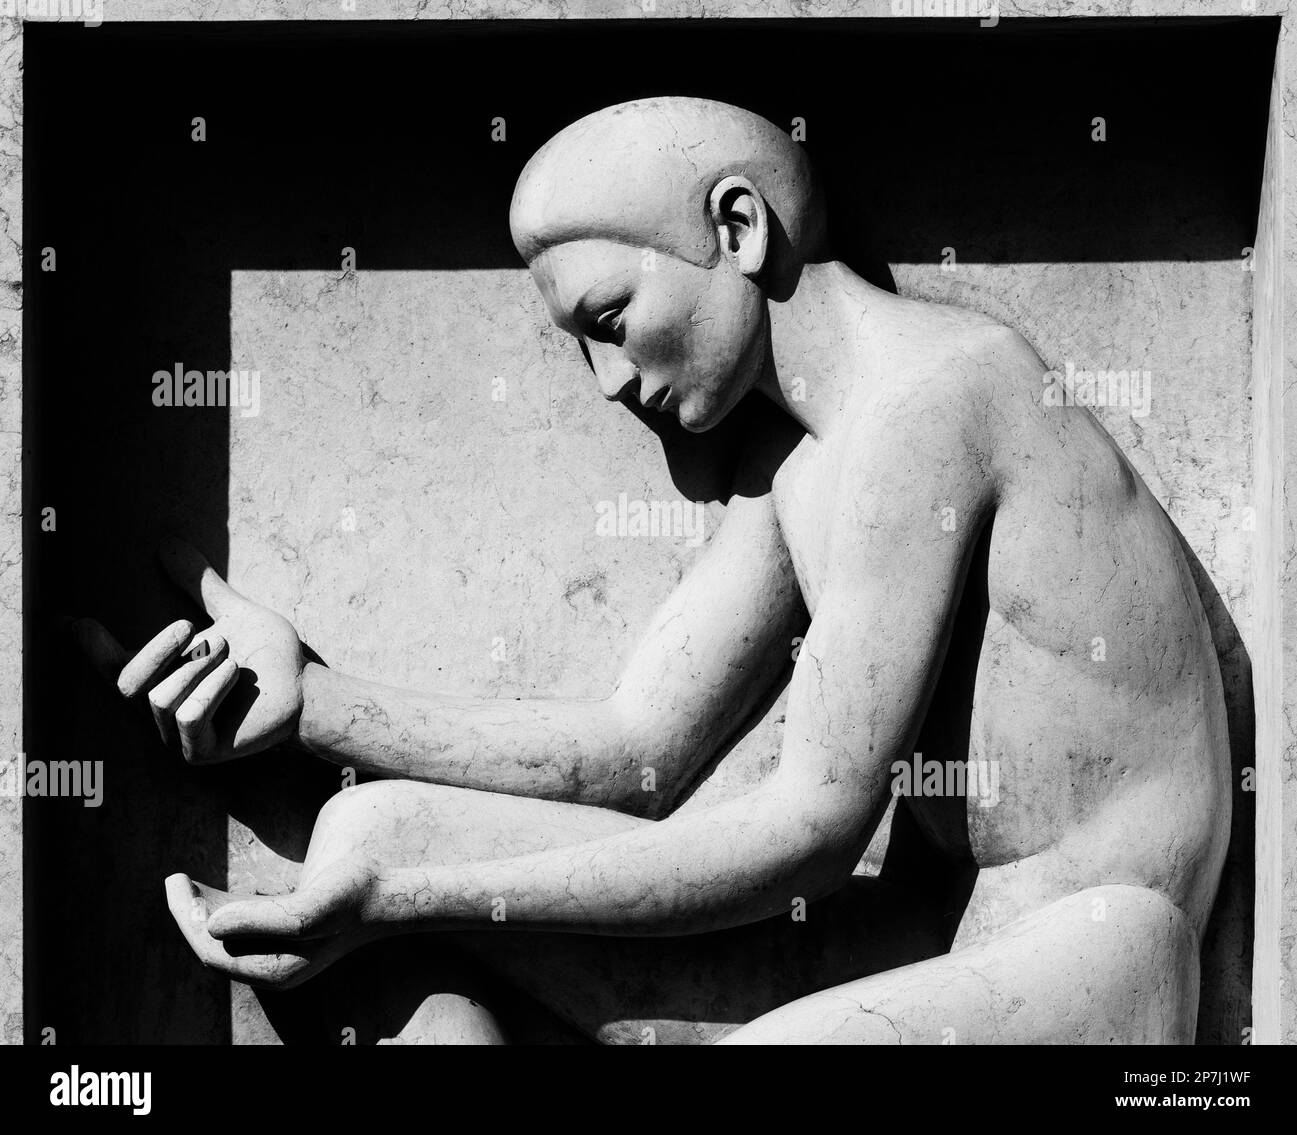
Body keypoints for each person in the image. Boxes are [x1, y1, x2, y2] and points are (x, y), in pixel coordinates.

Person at [86, 97, 1229, 1044]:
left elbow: (813, 830)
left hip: (1094, 962)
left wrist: (401, 905)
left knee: (400, 880)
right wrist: (312, 708)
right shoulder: (798, 470)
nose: (606, 380)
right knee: (377, 832)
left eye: (611, 316)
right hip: (943, 943)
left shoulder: (936, 399)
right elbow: (633, 751)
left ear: (737, 226)